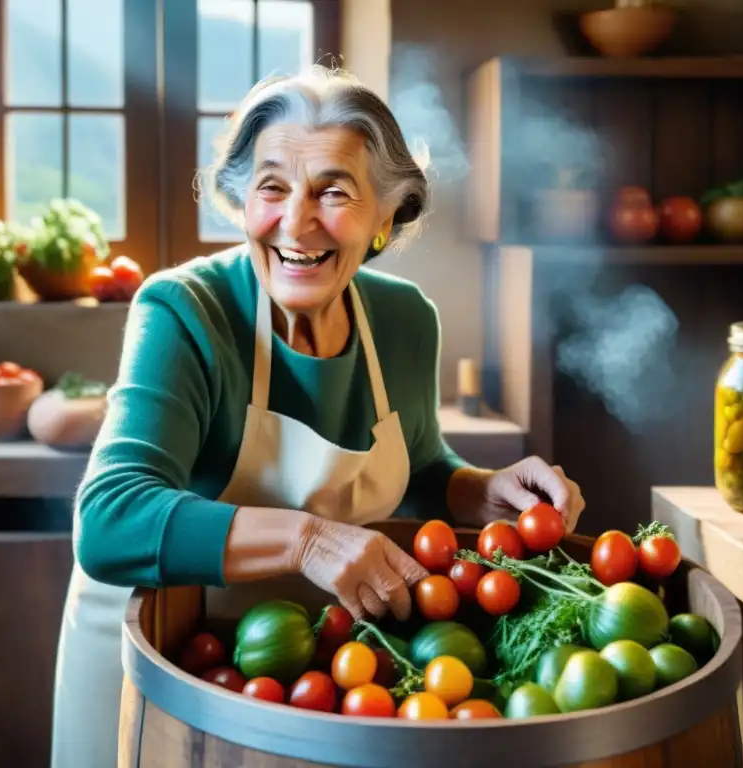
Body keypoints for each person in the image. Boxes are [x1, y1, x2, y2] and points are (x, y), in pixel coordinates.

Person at [50, 65, 585, 766]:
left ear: (384, 217)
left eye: (334, 191)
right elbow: (110, 518)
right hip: (158, 663)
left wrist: (478, 489)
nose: (296, 222)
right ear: (243, 199)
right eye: (272, 187)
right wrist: (309, 541)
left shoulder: (403, 320)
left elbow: (420, 467)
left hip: (302, 670)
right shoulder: (184, 311)